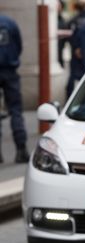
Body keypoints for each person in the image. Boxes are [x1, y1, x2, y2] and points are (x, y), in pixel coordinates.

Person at [0, 14, 29, 163]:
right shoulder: (10, 22)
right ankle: (21, 149)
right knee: (16, 111)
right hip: (10, 71)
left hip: (8, 70)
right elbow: (18, 45)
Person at [66, 0, 85, 99]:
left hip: (77, 51)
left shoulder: (73, 20)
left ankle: (71, 98)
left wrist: (75, 47)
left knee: (74, 77)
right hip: (82, 52)